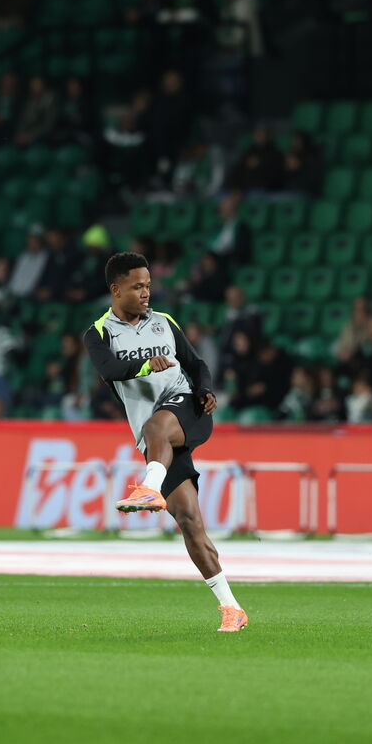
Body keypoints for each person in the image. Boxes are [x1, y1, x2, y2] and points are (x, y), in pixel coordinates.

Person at [84, 251, 245, 632]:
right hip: (158, 442)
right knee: (189, 520)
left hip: (187, 409)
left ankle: (149, 488)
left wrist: (205, 389)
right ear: (116, 289)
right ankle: (232, 608)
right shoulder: (99, 333)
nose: (146, 293)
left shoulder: (164, 323)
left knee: (156, 426)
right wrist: (146, 364)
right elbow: (109, 369)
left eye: (148, 285)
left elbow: (196, 364)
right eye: (137, 286)